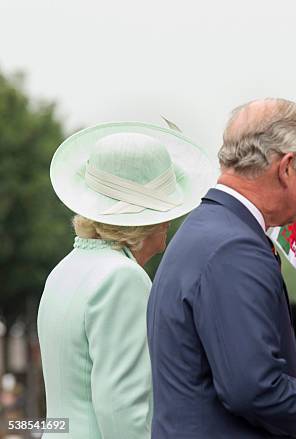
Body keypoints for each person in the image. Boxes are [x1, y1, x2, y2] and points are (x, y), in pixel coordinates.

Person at [147, 98, 296, 439]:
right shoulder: (234, 248)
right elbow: (251, 390)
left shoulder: (208, 230)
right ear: (285, 167)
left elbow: (225, 369)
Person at [38, 122, 214, 439]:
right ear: (148, 221)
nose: (171, 221)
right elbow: (121, 409)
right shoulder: (123, 278)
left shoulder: (64, 268)